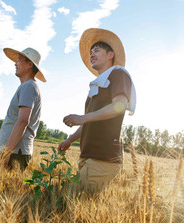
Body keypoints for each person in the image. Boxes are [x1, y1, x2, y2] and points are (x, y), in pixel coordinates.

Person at [58, 28, 136, 193]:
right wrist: (69, 140)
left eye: (97, 50)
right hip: (88, 155)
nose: (91, 54)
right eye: (91, 52)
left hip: (103, 156)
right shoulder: (96, 86)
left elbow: (120, 105)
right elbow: (89, 121)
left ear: (110, 55)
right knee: (78, 202)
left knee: (80, 201)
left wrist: (83, 118)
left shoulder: (118, 74)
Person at [0, 47, 46, 171]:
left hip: (15, 153)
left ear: (29, 64)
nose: (15, 63)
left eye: (19, 60)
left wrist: (7, 152)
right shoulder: (28, 86)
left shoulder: (28, 86)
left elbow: (23, 120)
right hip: (15, 151)